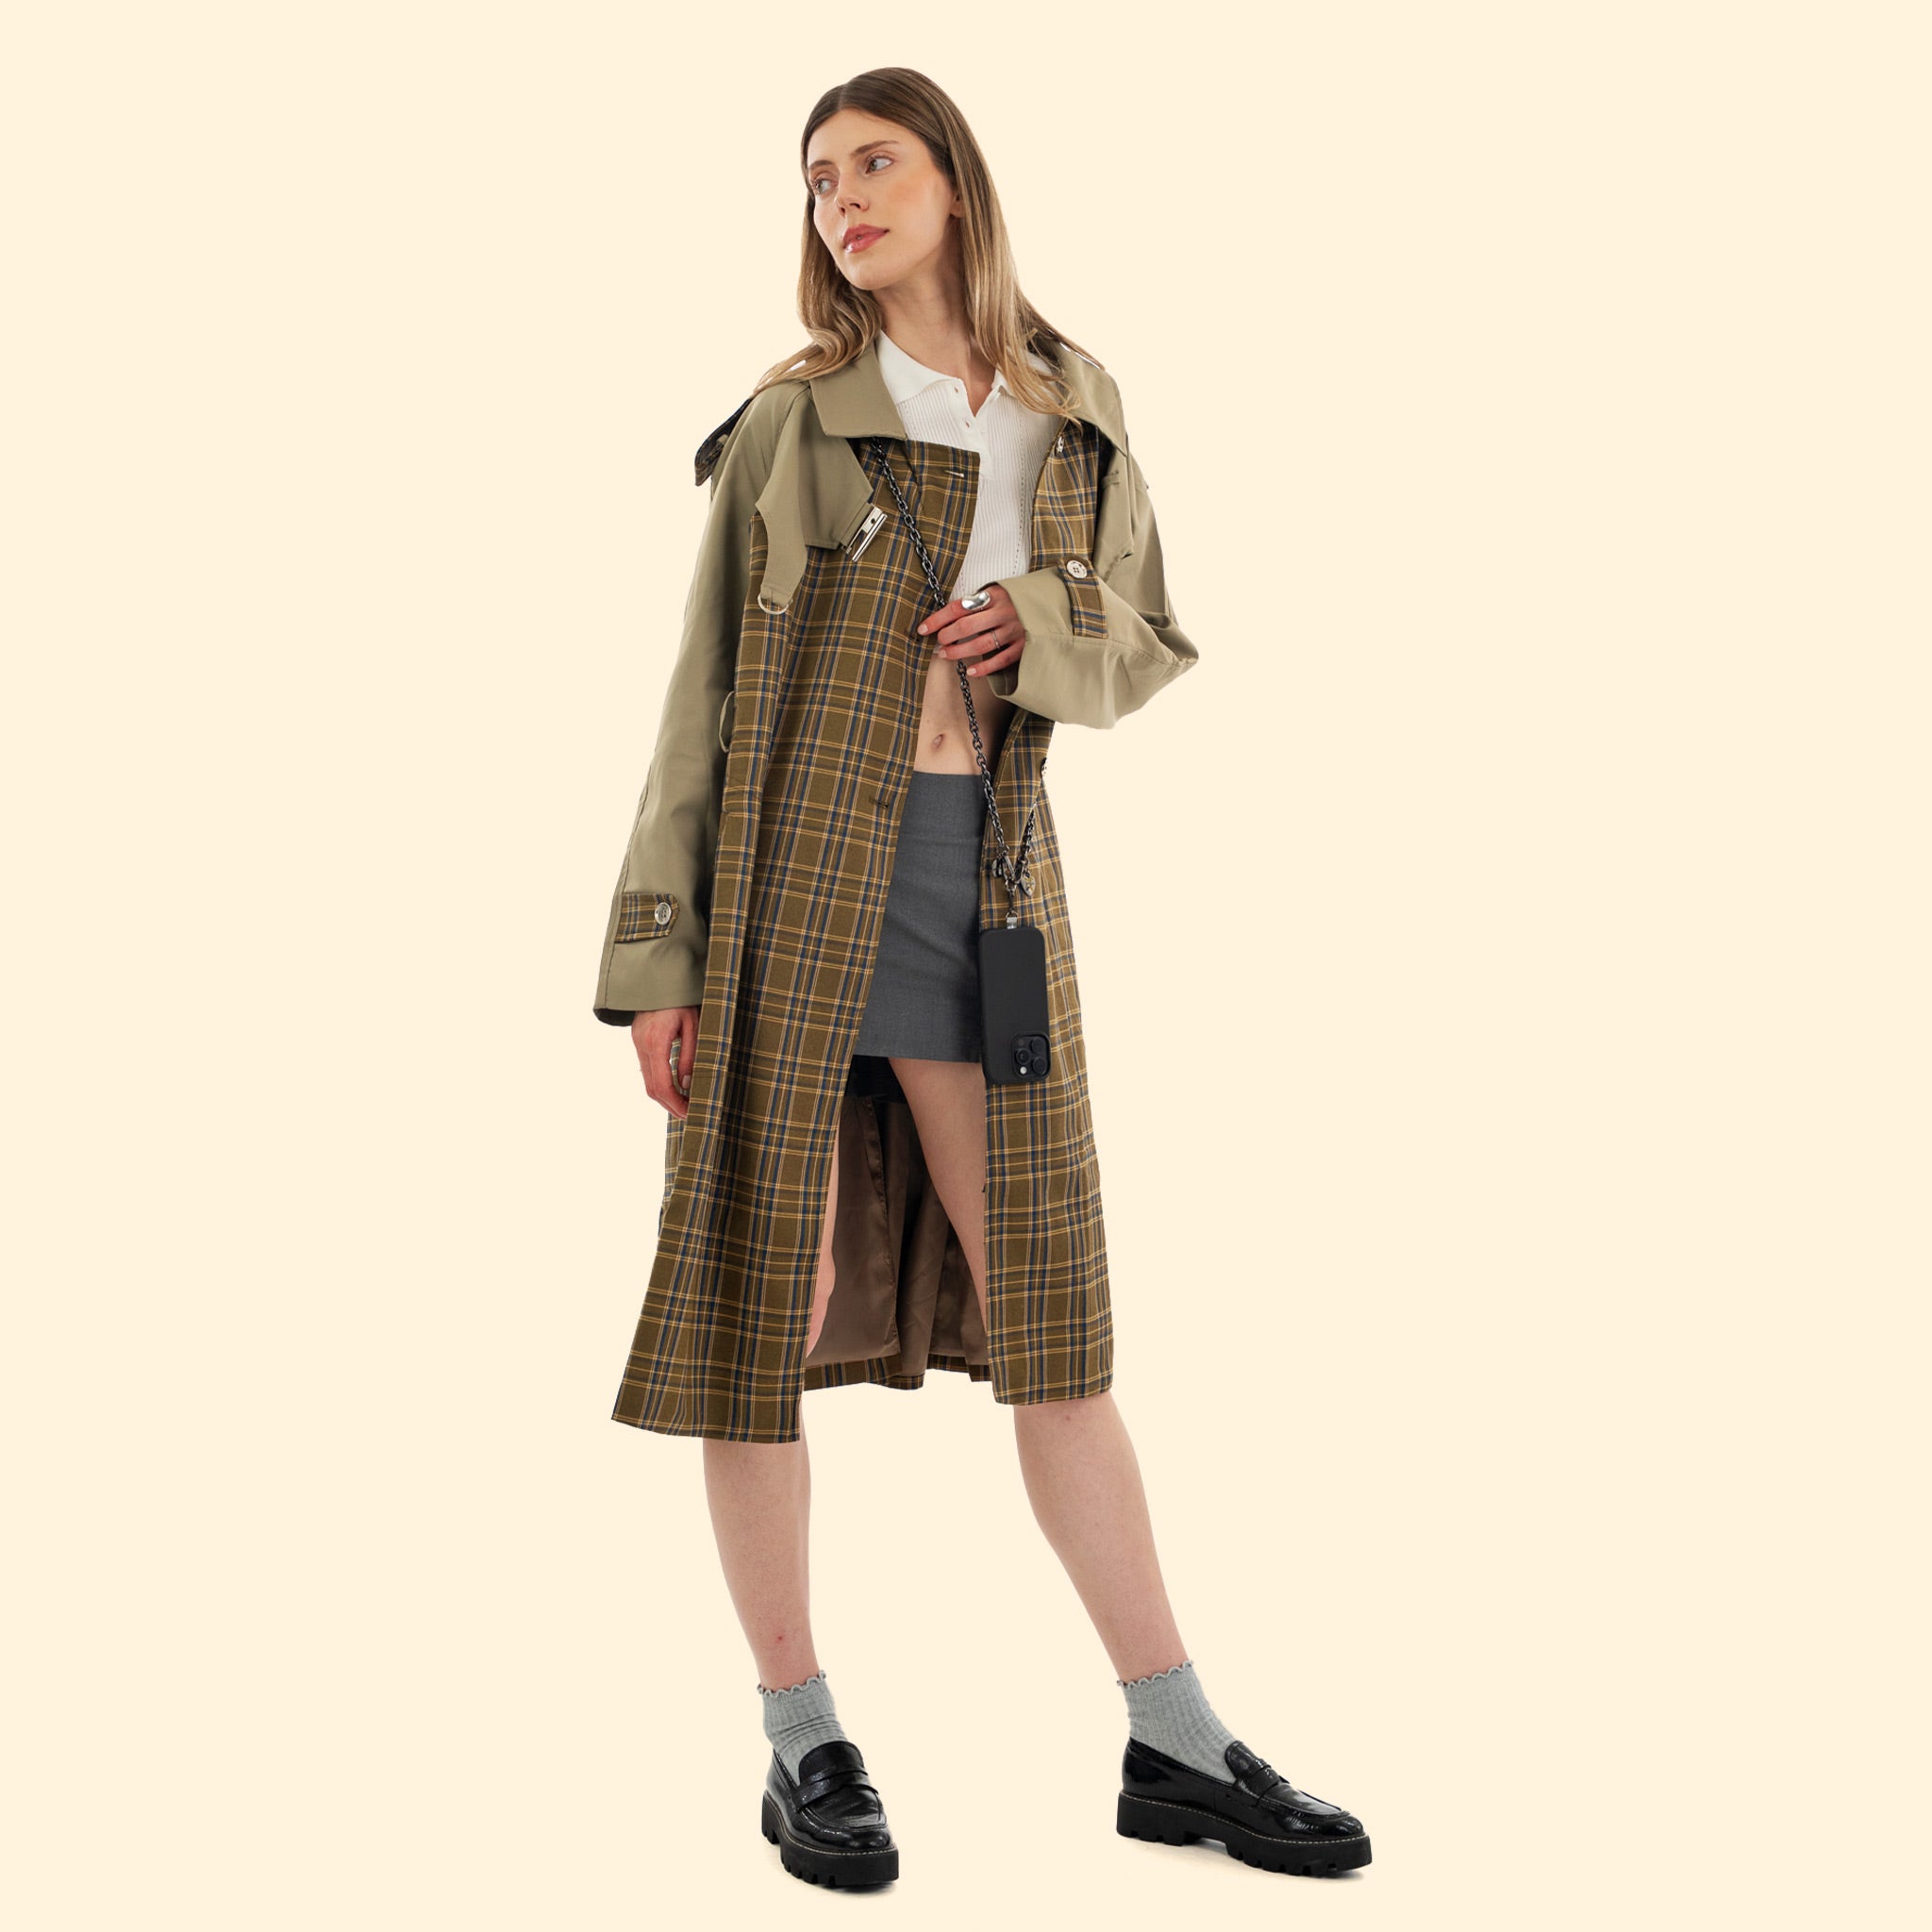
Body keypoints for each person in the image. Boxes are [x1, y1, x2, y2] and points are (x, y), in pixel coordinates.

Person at [591, 67, 1370, 1888]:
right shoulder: (795, 419)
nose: (842, 200)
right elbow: (700, 697)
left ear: (953, 180)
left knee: (1051, 1319)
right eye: (818, 181)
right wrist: (656, 957)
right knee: (763, 1317)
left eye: (874, 164)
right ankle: (803, 1737)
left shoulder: (1068, 401)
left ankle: (1176, 1737)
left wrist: (1044, 624)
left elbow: (1150, 635)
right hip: (787, 901)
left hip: (987, 896)